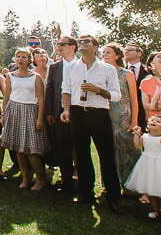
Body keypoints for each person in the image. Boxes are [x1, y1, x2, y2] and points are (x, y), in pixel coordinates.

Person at [60, 34, 123, 210]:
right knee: (81, 154)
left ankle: (112, 196)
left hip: (99, 113)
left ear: (95, 47)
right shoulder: (71, 67)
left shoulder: (108, 69)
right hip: (77, 112)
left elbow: (117, 96)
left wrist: (99, 90)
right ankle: (85, 193)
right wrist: (66, 109)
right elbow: (65, 90)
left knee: (106, 155)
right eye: (80, 42)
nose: (82, 44)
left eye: (86, 41)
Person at [0, 48, 49, 190]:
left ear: (29, 60)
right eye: (18, 57)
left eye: (24, 57)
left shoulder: (36, 77)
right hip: (14, 111)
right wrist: (3, 115)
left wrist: (40, 119)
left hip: (30, 112)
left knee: (32, 150)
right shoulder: (10, 76)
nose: (21, 59)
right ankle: (26, 178)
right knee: (19, 149)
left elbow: (41, 98)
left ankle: (40, 179)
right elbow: (7, 96)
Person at [124, 115, 161, 223]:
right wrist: (136, 134)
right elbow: (138, 145)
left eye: (158, 121)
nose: (154, 122)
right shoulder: (145, 136)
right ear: (148, 125)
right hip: (147, 163)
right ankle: (156, 210)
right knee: (151, 189)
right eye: (152, 120)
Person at [101, 42, 140, 187]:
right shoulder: (100, 72)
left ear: (117, 56)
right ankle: (110, 184)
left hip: (124, 115)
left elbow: (134, 100)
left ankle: (132, 184)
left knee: (127, 149)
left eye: (108, 52)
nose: (104, 55)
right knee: (108, 149)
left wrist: (134, 121)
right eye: (103, 52)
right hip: (105, 114)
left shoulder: (126, 74)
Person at [44, 36, 78, 192]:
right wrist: (49, 112)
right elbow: (49, 89)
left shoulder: (82, 65)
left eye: (62, 44)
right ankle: (66, 181)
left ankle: (81, 180)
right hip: (58, 112)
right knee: (62, 147)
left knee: (79, 148)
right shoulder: (55, 67)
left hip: (79, 112)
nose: (59, 47)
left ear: (73, 47)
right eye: (58, 44)